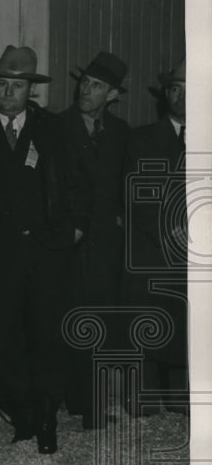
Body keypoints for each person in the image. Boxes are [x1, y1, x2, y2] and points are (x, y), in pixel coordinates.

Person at [0, 45, 88, 454]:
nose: (8, 92)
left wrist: (76, 231)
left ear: (32, 91)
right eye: (2, 84)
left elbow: (79, 185)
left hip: (47, 255)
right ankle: (23, 415)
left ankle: (47, 420)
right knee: (1, 339)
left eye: (18, 86)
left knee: (45, 336)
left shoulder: (52, 129)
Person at [60, 52, 131, 428]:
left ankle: (91, 406)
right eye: (84, 81)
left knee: (99, 322)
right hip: (66, 244)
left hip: (105, 246)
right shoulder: (56, 127)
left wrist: (119, 220)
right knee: (67, 319)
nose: (86, 90)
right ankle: (74, 401)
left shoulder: (120, 133)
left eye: (97, 86)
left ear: (113, 95)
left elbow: (123, 184)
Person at [122, 57, 188, 415]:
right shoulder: (142, 139)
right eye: (175, 90)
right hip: (153, 248)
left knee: (189, 321)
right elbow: (136, 197)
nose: (181, 98)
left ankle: (183, 397)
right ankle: (141, 398)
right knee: (148, 321)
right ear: (165, 95)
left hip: (197, 250)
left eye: (191, 92)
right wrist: (173, 230)